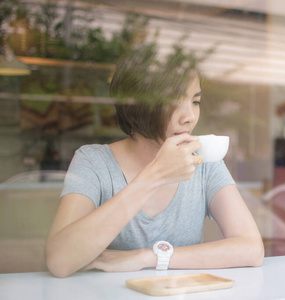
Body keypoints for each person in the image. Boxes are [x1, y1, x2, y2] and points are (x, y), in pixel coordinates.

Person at [45, 45, 264, 278]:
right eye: (173, 101)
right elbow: (60, 261)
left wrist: (148, 257)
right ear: (139, 106)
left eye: (195, 101)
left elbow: (251, 248)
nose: (189, 116)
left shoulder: (204, 162)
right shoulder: (93, 161)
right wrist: (154, 176)